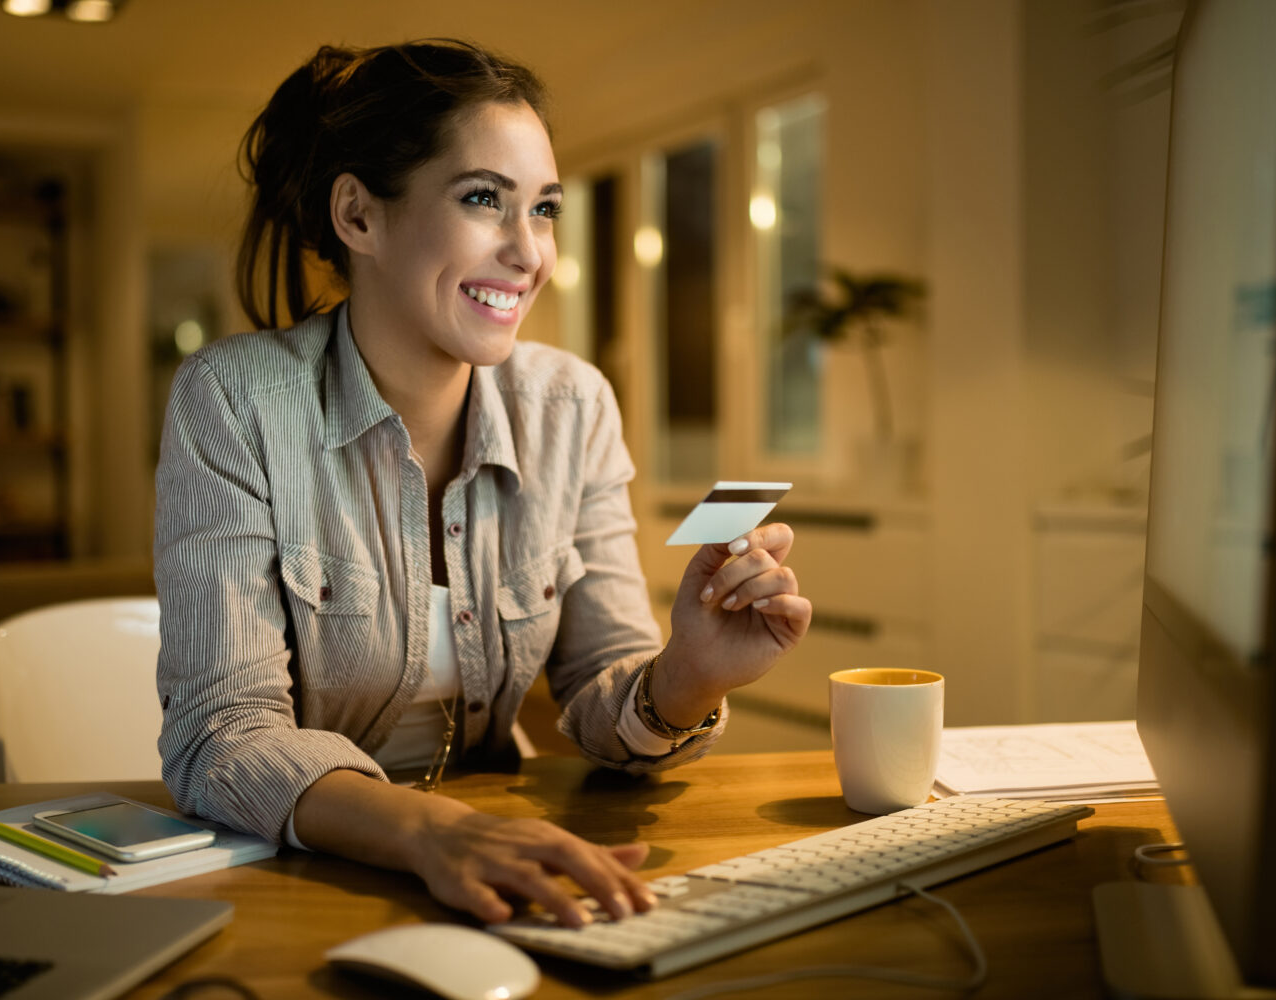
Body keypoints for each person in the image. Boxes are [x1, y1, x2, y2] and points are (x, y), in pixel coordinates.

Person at [155, 38, 812, 931]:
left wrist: (688, 675)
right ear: (358, 215)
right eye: (481, 201)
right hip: (303, 879)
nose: (528, 252)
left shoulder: (572, 405)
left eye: (543, 210)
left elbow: (600, 694)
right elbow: (222, 737)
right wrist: (433, 833)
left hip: (505, 860)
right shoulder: (231, 400)